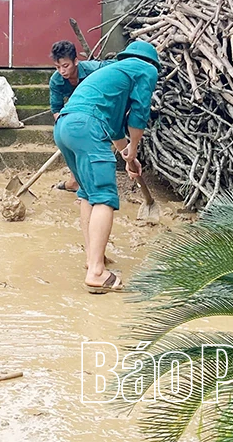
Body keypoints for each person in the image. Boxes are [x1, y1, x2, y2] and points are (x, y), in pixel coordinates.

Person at [53, 40, 159, 294]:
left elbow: (114, 130)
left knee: (88, 194)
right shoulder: (146, 69)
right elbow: (139, 114)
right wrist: (133, 149)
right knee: (104, 197)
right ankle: (97, 273)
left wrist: (128, 156)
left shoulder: (112, 74)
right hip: (88, 127)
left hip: (65, 128)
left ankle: (92, 258)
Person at [48, 40, 114, 193]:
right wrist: (65, 129)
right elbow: (56, 109)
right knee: (68, 141)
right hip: (75, 114)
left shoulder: (94, 70)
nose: (62, 71)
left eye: (65, 66)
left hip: (98, 109)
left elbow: (116, 66)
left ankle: (95, 183)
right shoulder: (56, 81)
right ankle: (76, 181)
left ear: (76, 61)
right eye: (57, 67)